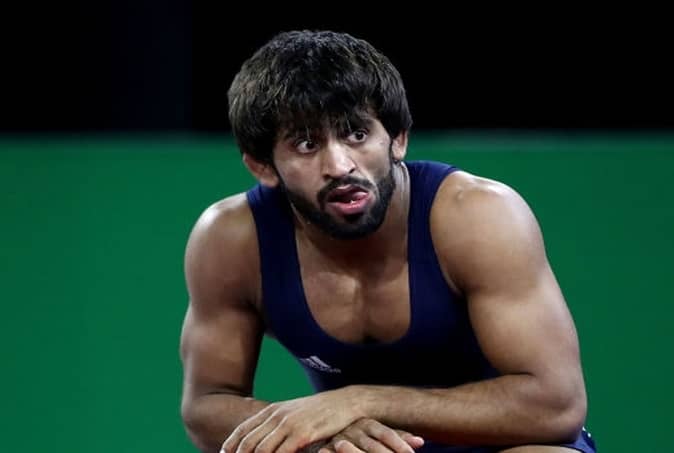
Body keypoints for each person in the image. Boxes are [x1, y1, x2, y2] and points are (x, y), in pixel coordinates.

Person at [179, 30, 597, 453]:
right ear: (263, 167)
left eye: (357, 135)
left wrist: (360, 402)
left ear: (397, 139)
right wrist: (317, 436)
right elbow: (206, 406)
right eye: (306, 144)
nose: (339, 165)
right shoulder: (232, 239)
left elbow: (557, 406)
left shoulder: (478, 214)